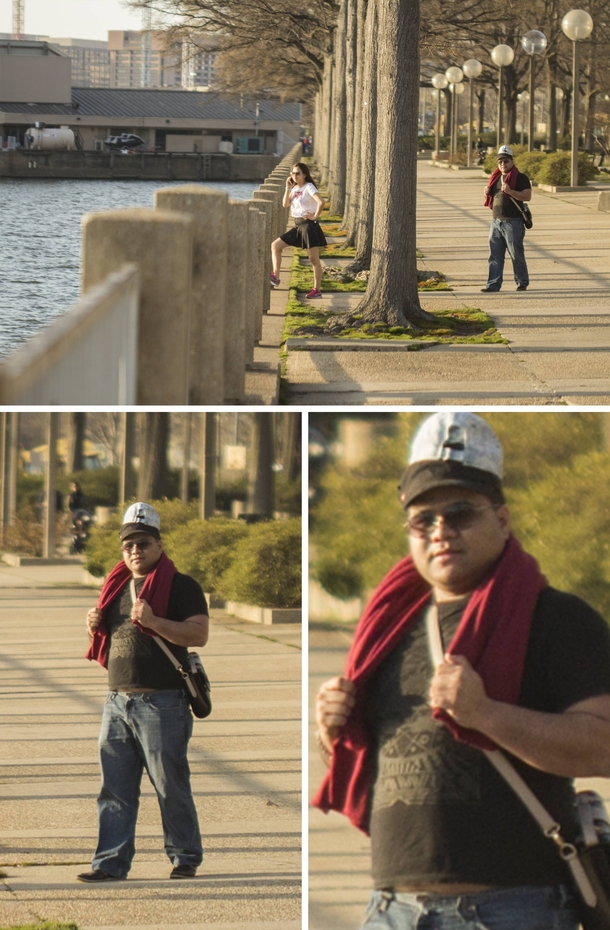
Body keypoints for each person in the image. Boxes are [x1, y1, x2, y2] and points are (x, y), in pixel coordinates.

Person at [313, 411, 610, 930]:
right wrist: (331, 732)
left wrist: (485, 714)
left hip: (515, 909)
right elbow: (384, 767)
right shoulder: (388, 626)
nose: (440, 531)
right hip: (391, 910)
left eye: (460, 514)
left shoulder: (556, 618)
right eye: (422, 520)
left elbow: (603, 746)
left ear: (503, 519)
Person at [78, 502, 209, 883]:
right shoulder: (114, 586)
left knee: (170, 785)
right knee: (114, 789)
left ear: (160, 545)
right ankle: (110, 863)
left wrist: (154, 622)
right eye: (129, 545)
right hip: (116, 701)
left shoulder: (182, 586)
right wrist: (92, 627)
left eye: (144, 543)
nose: (136, 550)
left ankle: (185, 856)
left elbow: (198, 634)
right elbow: (114, 639)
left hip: (162, 702)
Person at [270, 162, 327, 299]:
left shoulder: (309, 187)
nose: (294, 176)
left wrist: (315, 216)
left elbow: (321, 202)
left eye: (297, 173)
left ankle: (316, 290)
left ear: (304, 175)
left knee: (314, 260)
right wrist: (287, 188)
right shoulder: (294, 188)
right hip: (297, 226)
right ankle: (276, 276)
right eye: (293, 173)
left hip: (308, 226)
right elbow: (285, 204)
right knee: (275, 246)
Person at [481, 144, 532, 292]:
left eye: (506, 161)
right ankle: (493, 284)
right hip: (496, 222)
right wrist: (486, 193)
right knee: (495, 256)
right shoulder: (495, 178)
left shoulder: (521, 178)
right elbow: (494, 197)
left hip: (513, 222)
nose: (503, 164)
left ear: (512, 161)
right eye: (500, 161)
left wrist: (511, 191)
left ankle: (522, 282)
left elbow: (527, 196)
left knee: (516, 254)